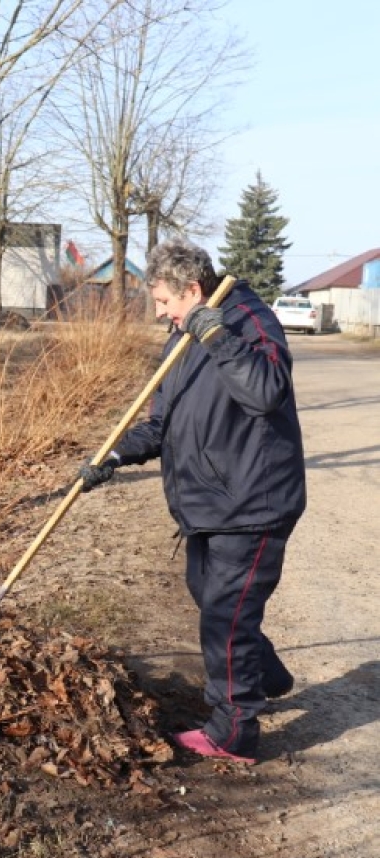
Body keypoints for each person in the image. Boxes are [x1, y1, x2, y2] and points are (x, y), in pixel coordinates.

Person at [78, 241, 305, 764]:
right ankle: (263, 673)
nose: (160, 312)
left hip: (252, 504)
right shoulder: (182, 337)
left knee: (225, 619)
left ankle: (233, 732)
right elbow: (162, 420)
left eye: (163, 301)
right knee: (210, 594)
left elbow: (266, 391)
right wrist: (114, 452)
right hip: (208, 503)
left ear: (194, 291)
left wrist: (218, 337)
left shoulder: (250, 320)